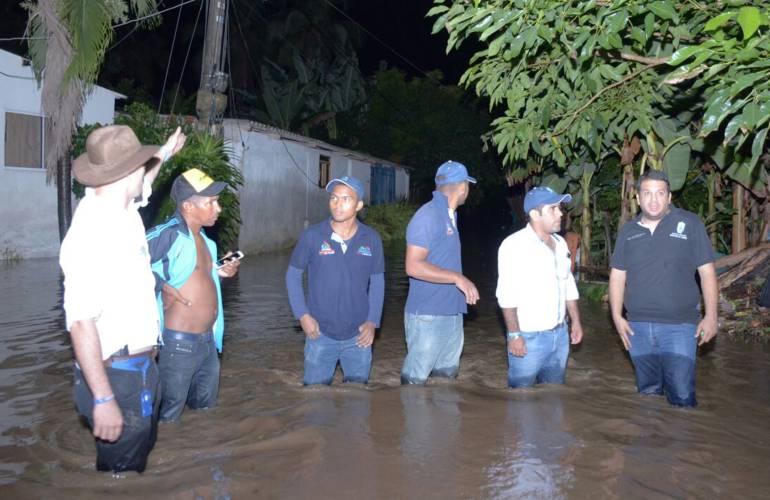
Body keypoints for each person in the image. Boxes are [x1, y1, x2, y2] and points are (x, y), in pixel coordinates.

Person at [59, 124, 185, 472]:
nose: (145, 172)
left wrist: (167, 149)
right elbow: (80, 322)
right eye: (139, 165)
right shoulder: (91, 233)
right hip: (117, 378)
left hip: (138, 372)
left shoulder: (122, 205)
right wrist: (103, 398)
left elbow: (146, 181)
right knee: (120, 480)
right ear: (126, 173)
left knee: (134, 465)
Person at [609, 169, 718, 407]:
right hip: (637, 327)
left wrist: (711, 316)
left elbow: (707, 272)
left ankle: (684, 442)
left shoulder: (689, 223)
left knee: (681, 396)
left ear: (669, 197)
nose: (653, 199)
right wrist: (616, 316)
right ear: (638, 198)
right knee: (648, 394)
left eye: (660, 193)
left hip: (680, 326)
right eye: (647, 193)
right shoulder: (628, 231)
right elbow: (617, 275)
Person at [146, 168, 240, 422]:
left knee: (206, 414)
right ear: (188, 206)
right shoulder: (168, 233)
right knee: (168, 417)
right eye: (210, 202)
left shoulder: (207, 241)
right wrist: (160, 284)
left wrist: (220, 272)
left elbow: (194, 276)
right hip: (178, 344)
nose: (218, 208)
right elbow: (124, 262)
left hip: (209, 343)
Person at [285, 176, 385, 385]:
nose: (338, 204)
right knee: (315, 400)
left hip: (359, 335)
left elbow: (377, 282)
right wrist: (303, 316)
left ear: (358, 205)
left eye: (346, 199)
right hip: (319, 333)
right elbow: (293, 275)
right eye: (334, 198)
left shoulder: (371, 238)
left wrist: (372, 322)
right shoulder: (312, 236)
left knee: (357, 400)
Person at [400, 160, 479, 385]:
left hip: (451, 312)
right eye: (468, 187)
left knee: (446, 380)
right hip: (427, 315)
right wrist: (457, 278)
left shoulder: (449, 215)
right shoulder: (428, 216)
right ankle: (411, 419)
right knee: (415, 381)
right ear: (463, 188)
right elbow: (413, 265)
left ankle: (444, 422)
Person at [496, 186, 584, 388]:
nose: (560, 213)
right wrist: (514, 335)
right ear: (535, 214)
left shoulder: (560, 243)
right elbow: (506, 295)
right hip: (529, 337)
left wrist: (576, 322)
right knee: (521, 397)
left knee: (553, 395)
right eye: (553, 209)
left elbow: (568, 283)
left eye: (559, 208)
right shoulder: (514, 246)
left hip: (560, 335)